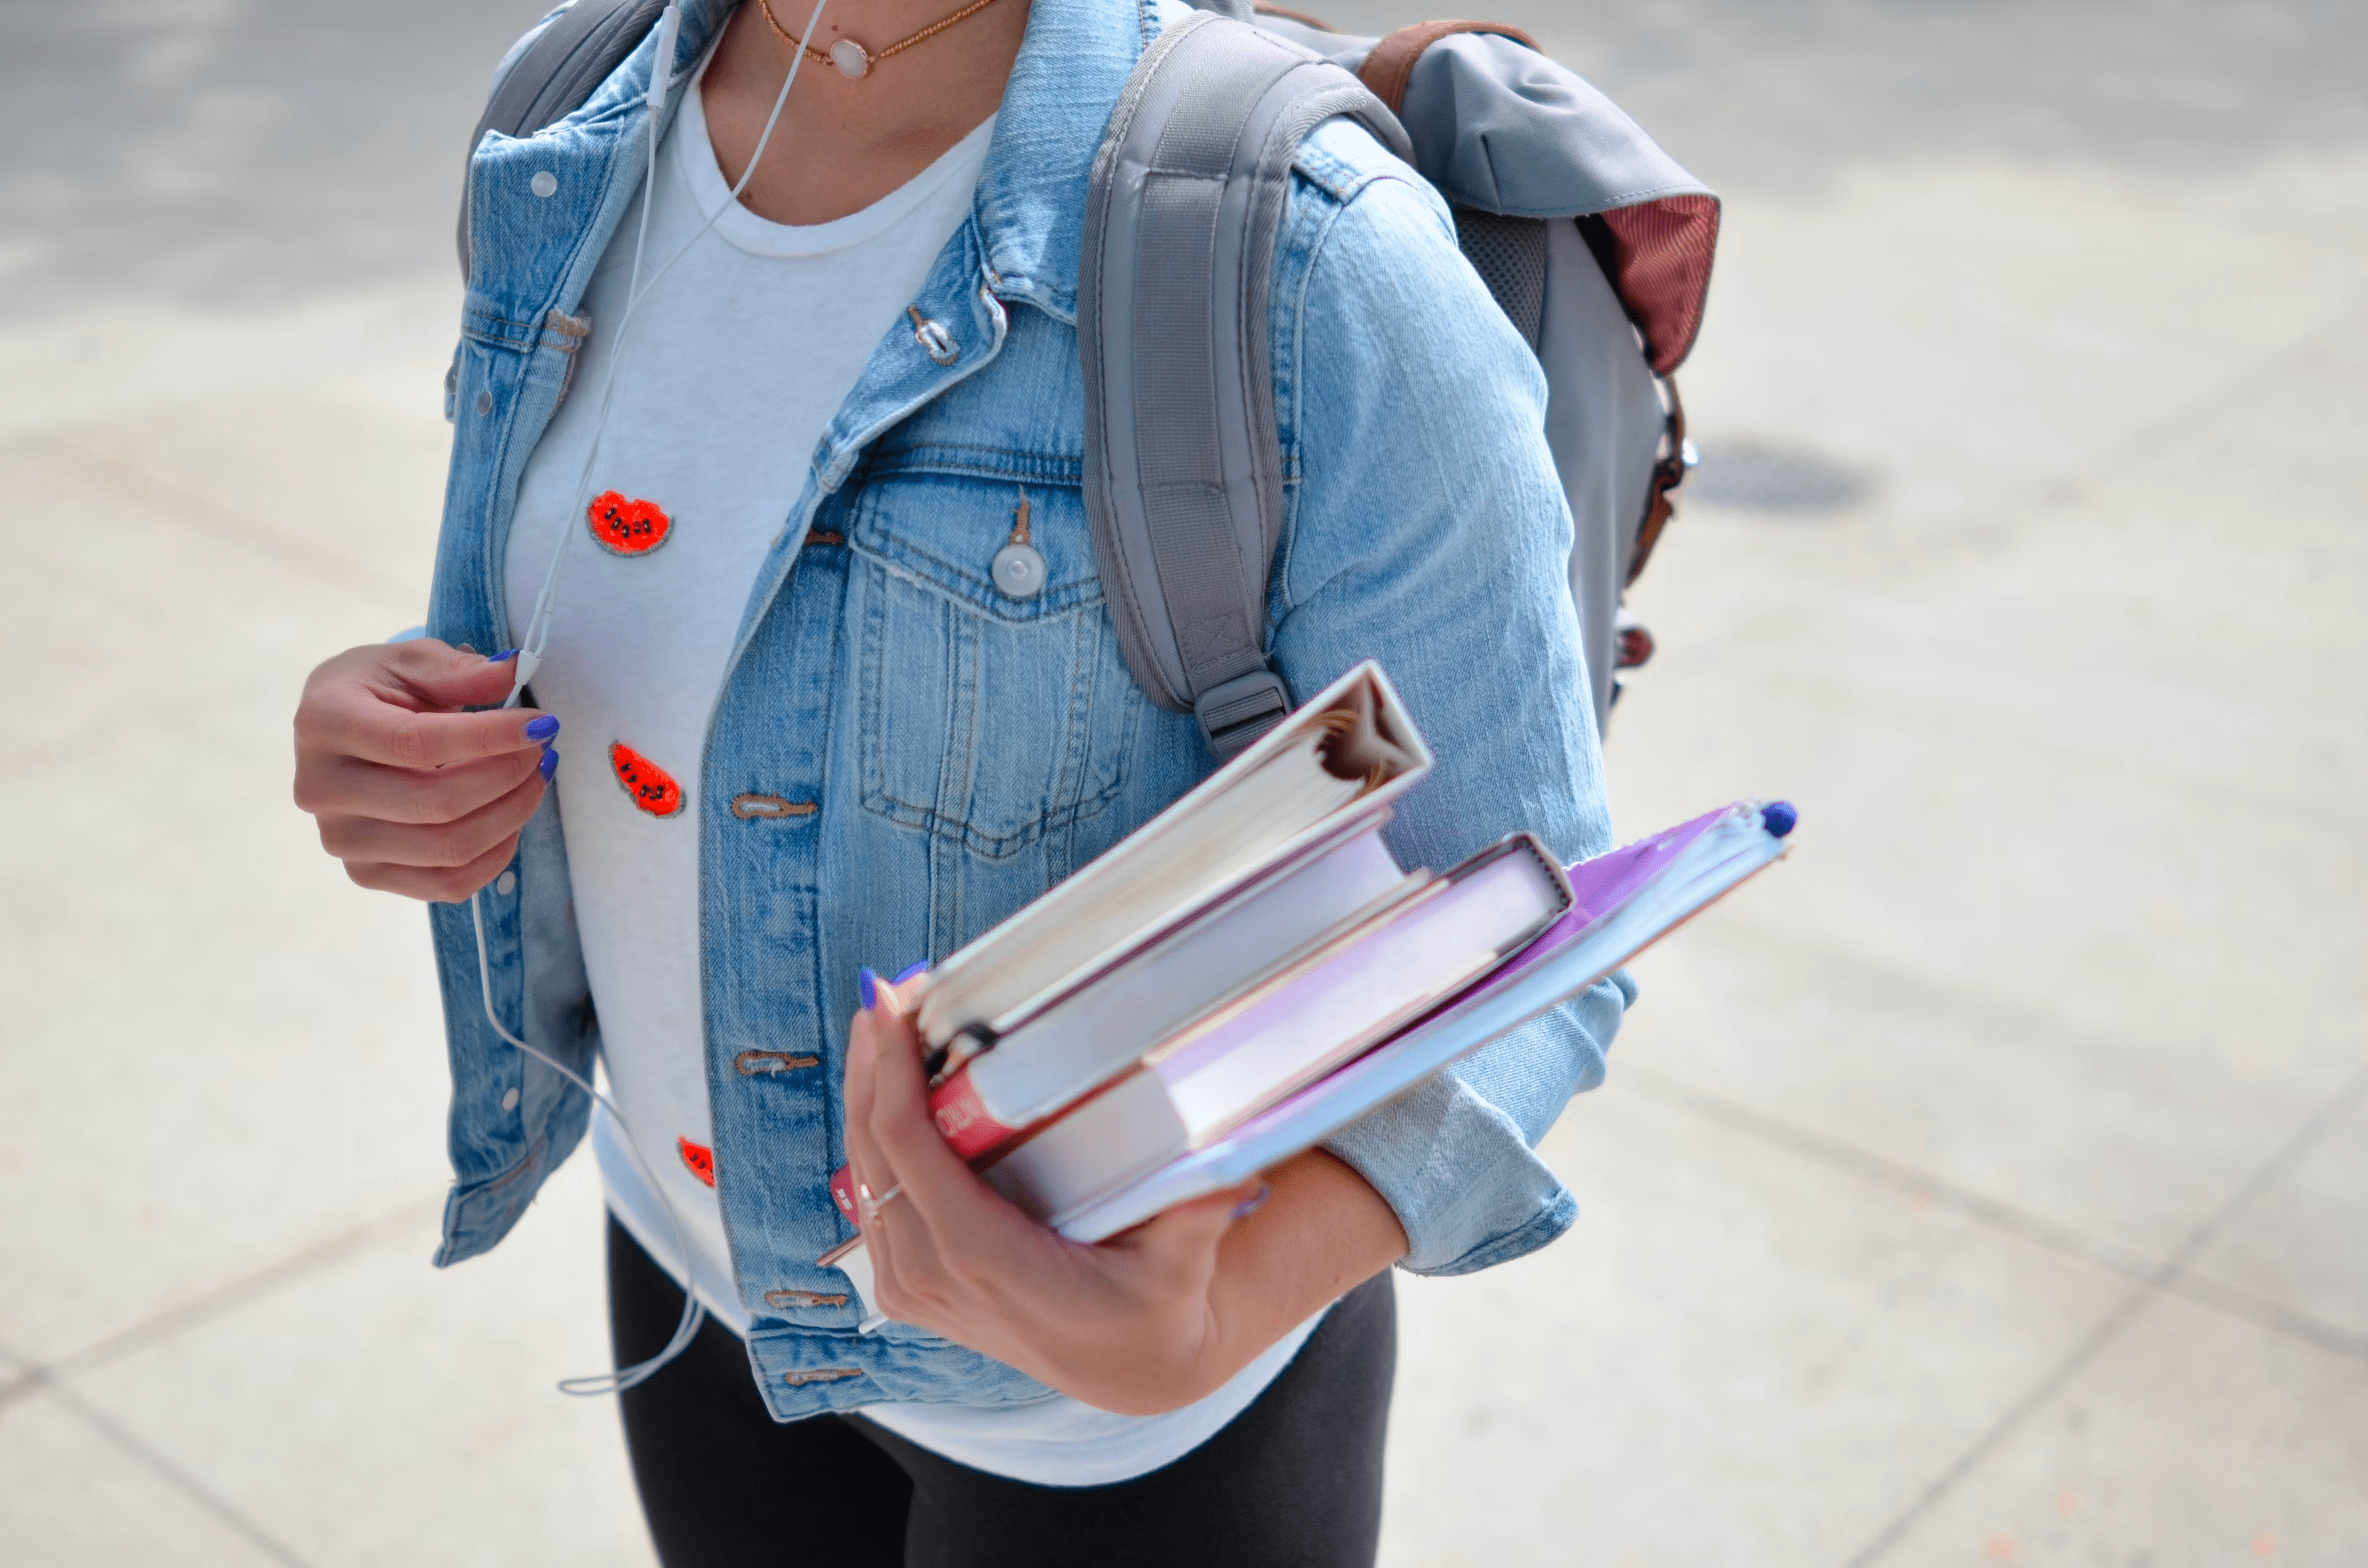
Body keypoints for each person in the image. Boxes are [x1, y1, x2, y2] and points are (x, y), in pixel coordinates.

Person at [290, 0, 1629, 1561]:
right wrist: (403, 723)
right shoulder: (571, 115)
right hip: (689, 1275)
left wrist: (1208, 1316)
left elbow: (1525, 920)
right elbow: (652, 596)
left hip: (1124, 1439)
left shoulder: (1309, 257)